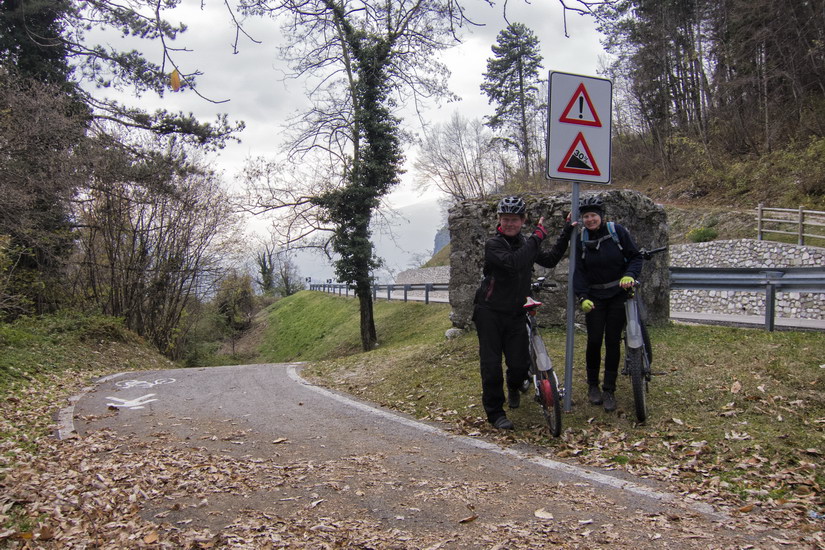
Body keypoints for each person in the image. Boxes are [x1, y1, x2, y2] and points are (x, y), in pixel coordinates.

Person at [473, 196, 576, 430]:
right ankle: (496, 413)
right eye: (505, 219)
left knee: (519, 365)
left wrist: (566, 232)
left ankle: (514, 385)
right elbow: (513, 263)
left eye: (514, 220)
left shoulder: (524, 243)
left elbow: (549, 260)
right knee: (491, 366)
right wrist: (537, 237)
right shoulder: (493, 244)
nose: (509, 224)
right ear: (499, 220)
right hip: (489, 312)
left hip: (515, 312)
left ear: (523, 220)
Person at [573, 196, 643, 412]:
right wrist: (582, 297)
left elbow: (635, 257)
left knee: (612, 341)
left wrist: (629, 275)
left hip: (617, 294)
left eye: (593, 215)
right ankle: (592, 386)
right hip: (594, 297)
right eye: (586, 216)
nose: (590, 219)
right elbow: (579, 271)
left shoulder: (617, 232)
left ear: (601, 217)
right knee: (594, 341)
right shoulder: (581, 240)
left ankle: (609, 389)